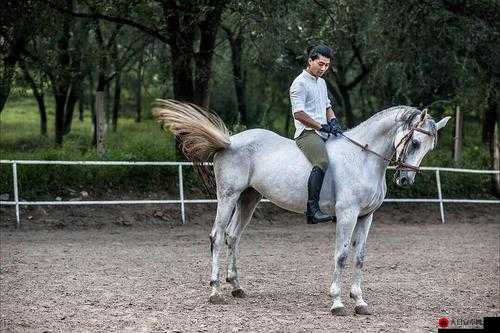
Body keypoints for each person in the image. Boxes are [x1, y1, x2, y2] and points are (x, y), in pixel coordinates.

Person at [289, 44, 342, 224]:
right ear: (310, 61)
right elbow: (299, 114)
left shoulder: (322, 82)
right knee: (322, 161)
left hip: (323, 131)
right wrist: (321, 126)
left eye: (326, 65)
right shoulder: (299, 83)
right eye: (320, 64)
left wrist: (333, 121)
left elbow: (328, 107)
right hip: (307, 133)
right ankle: (312, 210)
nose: (323, 68)